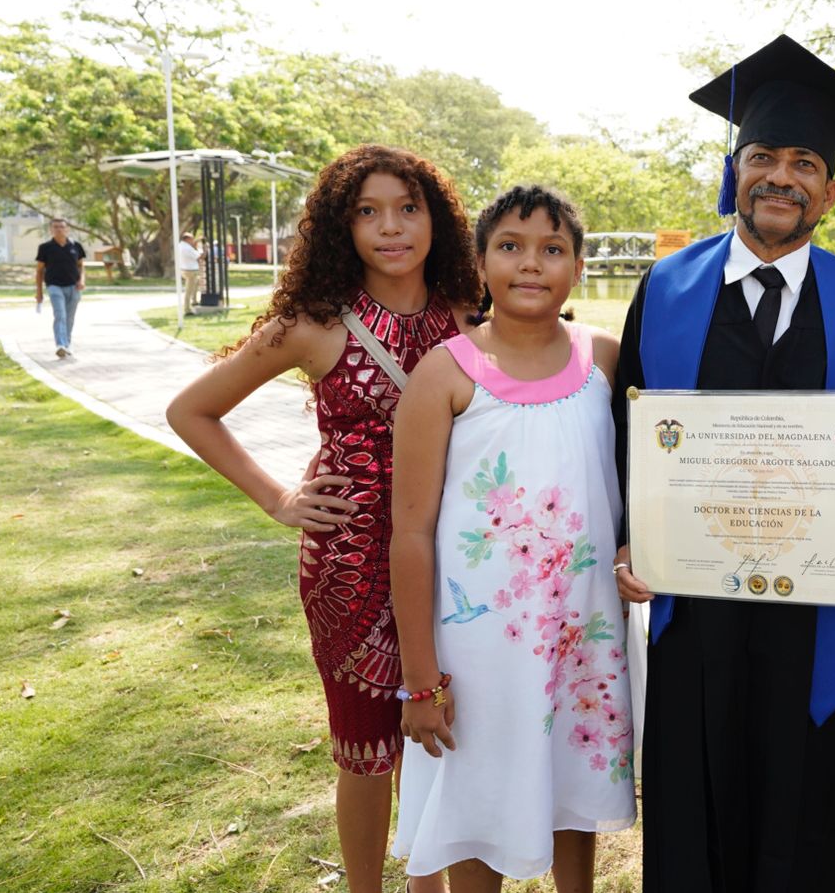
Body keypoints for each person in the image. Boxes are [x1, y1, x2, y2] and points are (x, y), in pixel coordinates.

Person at [611, 34, 835, 893]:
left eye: (803, 162)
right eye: (761, 157)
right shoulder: (667, 287)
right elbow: (627, 426)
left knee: (808, 795)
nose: (780, 177)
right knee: (696, 786)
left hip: (817, 601)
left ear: (831, 187)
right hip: (696, 596)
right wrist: (623, 541)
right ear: (734, 169)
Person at [166, 145, 480, 893]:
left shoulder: (468, 313)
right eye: (367, 212)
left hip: (456, 556)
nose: (391, 228)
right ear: (342, 228)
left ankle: (427, 881)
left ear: (437, 219)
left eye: (408, 208)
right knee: (365, 748)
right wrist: (277, 498)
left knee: (444, 730)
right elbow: (191, 410)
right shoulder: (313, 324)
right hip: (349, 569)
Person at [389, 186, 635, 890]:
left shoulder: (607, 363)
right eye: (511, 246)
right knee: (480, 796)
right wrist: (419, 678)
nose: (532, 265)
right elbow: (411, 532)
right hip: (479, 651)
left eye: (553, 249)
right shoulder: (446, 373)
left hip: (583, 635)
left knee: (572, 787)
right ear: (481, 259)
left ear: (578, 267)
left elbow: (645, 476)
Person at [34, 217, 85, 358]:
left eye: (62, 227)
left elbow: (81, 266)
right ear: (51, 230)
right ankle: (60, 344)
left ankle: (67, 345)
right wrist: (39, 293)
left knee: (69, 317)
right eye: (55, 227)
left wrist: (82, 280)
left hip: (74, 287)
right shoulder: (45, 248)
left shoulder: (76, 246)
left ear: (67, 229)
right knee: (60, 314)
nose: (59, 229)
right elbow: (39, 271)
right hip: (54, 286)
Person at [176, 232, 203, 315]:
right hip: (190, 271)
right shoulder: (187, 248)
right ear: (187, 239)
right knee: (189, 290)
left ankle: (194, 301)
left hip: (184, 269)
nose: (193, 241)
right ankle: (187, 310)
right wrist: (205, 249)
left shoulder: (180, 245)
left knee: (196, 283)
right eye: (192, 239)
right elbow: (199, 257)